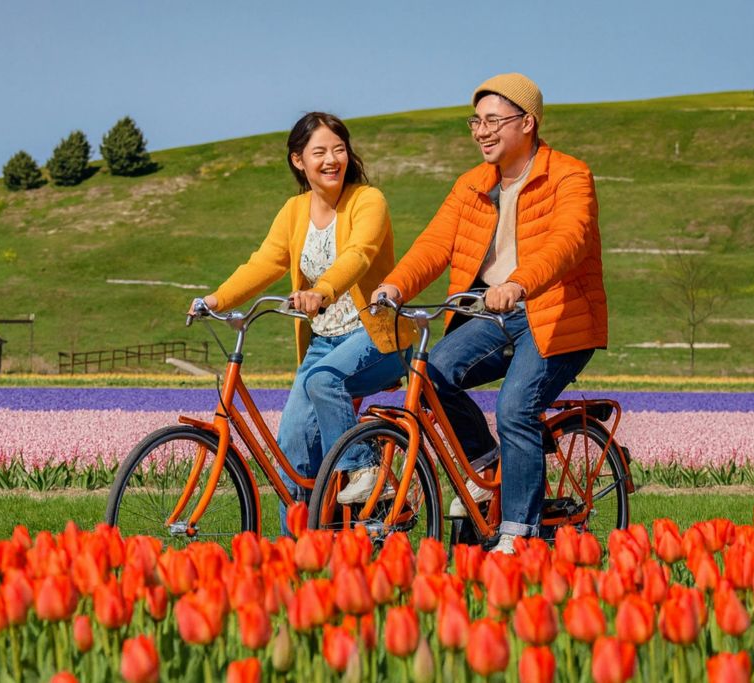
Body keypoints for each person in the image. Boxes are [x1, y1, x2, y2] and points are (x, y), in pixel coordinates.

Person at [372, 73, 607, 554]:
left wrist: (519, 282)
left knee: (515, 407)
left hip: (556, 313)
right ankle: (486, 466)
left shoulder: (569, 175)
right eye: (476, 121)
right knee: (431, 374)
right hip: (494, 313)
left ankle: (518, 534)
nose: (481, 131)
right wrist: (395, 285)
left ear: (528, 122)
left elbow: (569, 239)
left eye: (493, 121)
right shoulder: (472, 185)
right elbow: (435, 244)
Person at [192, 112, 416, 535]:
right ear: (298, 160)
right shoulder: (295, 211)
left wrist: (323, 290)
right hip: (324, 343)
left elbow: (360, 254)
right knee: (291, 453)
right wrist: (216, 299)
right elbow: (264, 262)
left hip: (376, 337)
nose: (332, 160)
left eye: (339, 149)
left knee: (324, 381)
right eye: (320, 152)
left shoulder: (368, 200)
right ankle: (298, 552)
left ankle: (364, 469)